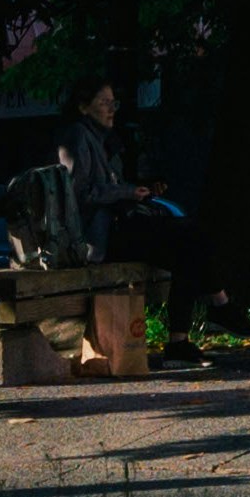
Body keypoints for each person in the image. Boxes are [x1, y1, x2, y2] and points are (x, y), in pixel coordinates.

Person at [51, 74, 190, 353]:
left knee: (189, 245)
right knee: (189, 238)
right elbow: (80, 195)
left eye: (114, 102)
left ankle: (182, 338)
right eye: (104, 102)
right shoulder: (78, 136)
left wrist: (142, 187)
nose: (112, 109)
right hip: (96, 238)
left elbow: (111, 185)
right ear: (83, 106)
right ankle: (204, 319)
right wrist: (127, 193)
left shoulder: (104, 140)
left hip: (115, 230)